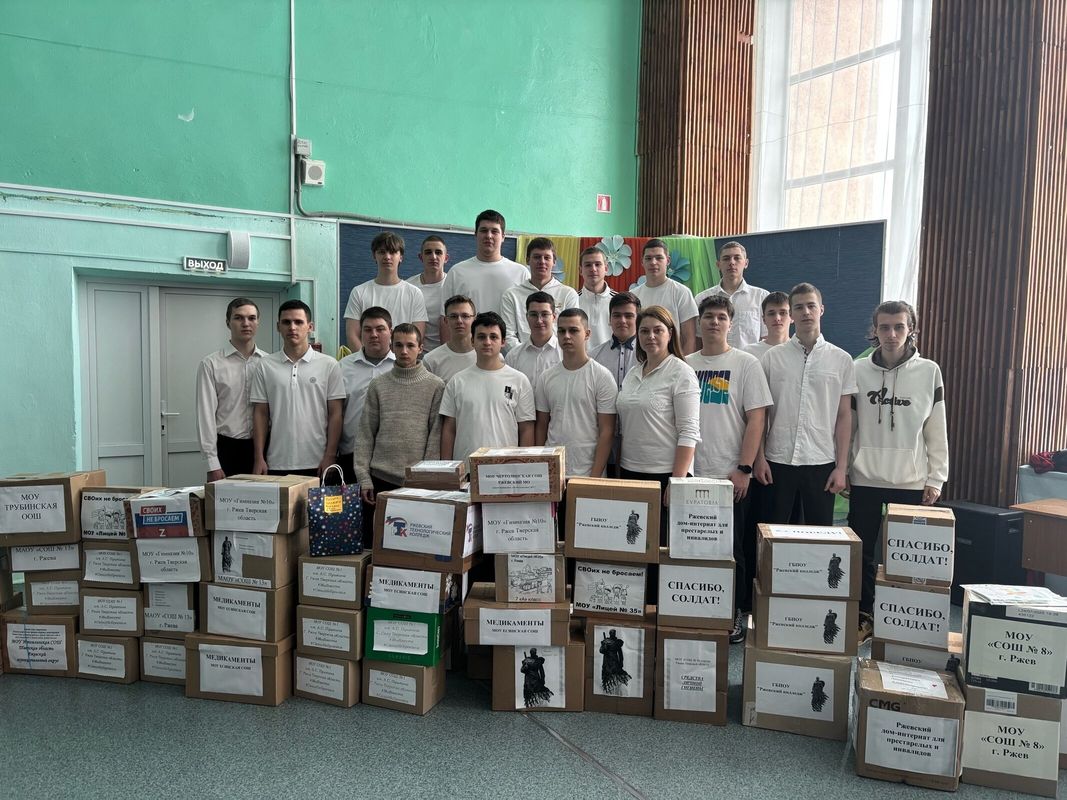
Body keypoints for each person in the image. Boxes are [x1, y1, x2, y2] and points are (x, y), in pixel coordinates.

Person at [849, 300, 948, 643]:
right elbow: (849, 425)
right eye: (884, 327)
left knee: (905, 558)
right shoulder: (857, 370)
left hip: (911, 481)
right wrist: (844, 468)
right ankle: (865, 616)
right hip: (865, 478)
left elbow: (936, 428)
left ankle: (900, 622)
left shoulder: (929, 371)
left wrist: (936, 477)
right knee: (862, 553)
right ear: (875, 330)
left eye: (899, 327)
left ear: (911, 329)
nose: (891, 334)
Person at [686, 295, 772, 643]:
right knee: (692, 547)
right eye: (708, 316)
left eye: (721, 317)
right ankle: (697, 609)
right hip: (692, 474)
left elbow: (757, 419)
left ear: (730, 324)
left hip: (729, 475)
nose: (714, 322)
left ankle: (734, 610)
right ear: (699, 322)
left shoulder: (745, 363)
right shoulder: (686, 364)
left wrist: (744, 468)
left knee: (732, 549)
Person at [756, 283, 857, 525]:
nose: (806, 312)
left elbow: (844, 416)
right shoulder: (772, 358)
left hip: (821, 461)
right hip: (777, 461)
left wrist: (841, 467)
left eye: (811, 306)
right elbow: (760, 414)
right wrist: (759, 458)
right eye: (799, 307)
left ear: (821, 309)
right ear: (791, 314)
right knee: (773, 533)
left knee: (819, 536)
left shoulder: (841, 360)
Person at [354, 323, 445, 546]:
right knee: (377, 546)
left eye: (410, 345)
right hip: (380, 479)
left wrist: (426, 481)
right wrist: (364, 478)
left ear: (420, 348)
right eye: (399, 345)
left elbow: (435, 436)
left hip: (416, 484)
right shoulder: (378, 385)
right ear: (392, 347)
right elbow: (366, 433)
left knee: (411, 548)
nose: (404, 351)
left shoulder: (436, 386)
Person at [616, 306, 701, 539]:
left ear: (670, 334)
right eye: (644, 331)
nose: (650, 336)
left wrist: (676, 481)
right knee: (634, 543)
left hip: (664, 474)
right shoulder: (633, 373)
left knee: (661, 545)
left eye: (657, 330)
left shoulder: (682, 373)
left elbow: (689, 432)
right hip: (630, 471)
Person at [251, 300, 344, 477]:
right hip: (276, 462)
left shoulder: (329, 365)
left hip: (318, 462)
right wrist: (258, 457)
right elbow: (260, 414)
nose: (292, 327)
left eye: (298, 322)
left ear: (310, 327)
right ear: (278, 326)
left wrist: (330, 455)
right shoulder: (265, 365)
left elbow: (336, 414)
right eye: (286, 322)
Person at [439, 311, 535, 464]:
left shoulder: (519, 380)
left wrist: (522, 467)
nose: (487, 342)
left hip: (506, 470)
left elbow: (526, 429)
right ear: (472, 341)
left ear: (503, 341)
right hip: (466, 469)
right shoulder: (457, 381)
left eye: (493, 337)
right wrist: (447, 468)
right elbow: (449, 429)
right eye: (481, 337)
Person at [535, 308, 617, 478]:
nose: (566, 336)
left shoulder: (602, 377)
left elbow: (607, 432)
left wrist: (594, 478)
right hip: (553, 472)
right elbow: (542, 426)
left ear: (587, 334)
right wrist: (541, 469)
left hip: (589, 472)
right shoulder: (546, 377)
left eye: (573, 330)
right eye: (561, 331)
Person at [196, 297, 267, 482]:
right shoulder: (211, 364)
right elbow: (205, 416)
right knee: (226, 501)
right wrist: (212, 463)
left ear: (258, 322)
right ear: (228, 323)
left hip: (264, 451)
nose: (246, 323)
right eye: (238, 318)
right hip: (227, 449)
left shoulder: (269, 363)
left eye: (251, 318)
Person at [440, 209, 528, 325]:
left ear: (503, 237)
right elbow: (445, 318)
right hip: (468, 337)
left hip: (509, 337)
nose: (489, 236)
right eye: (484, 230)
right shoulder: (457, 272)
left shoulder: (521, 273)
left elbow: (528, 318)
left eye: (494, 231)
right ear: (476, 235)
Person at [337, 308, 395, 483]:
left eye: (380, 329)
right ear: (360, 333)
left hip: (392, 458)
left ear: (391, 331)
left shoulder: (402, 366)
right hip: (351, 454)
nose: (374, 335)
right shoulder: (343, 367)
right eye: (368, 330)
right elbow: (335, 413)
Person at [343, 231, 427, 351]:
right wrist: (367, 360)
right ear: (374, 256)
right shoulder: (359, 292)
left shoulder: (414, 293)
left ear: (401, 257)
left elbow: (417, 336)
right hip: (367, 361)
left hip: (402, 360)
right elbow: (352, 335)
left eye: (392, 252)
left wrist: (398, 359)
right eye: (382, 252)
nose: (387, 257)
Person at [591, 292, 641, 476]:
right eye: (617, 315)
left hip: (638, 439)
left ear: (638, 318)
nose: (622, 321)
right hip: (603, 438)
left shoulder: (648, 356)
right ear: (609, 319)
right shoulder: (594, 356)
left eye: (629, 315)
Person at [500, 237, 579, 350]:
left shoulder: (568, 294)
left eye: (547, 257)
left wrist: (555, 356)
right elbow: (508, 335)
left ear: (554, 262)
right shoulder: (511, 295)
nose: (542, 262)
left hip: (558, 357)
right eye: (537, 257)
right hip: (522, 358)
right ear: (527, 260)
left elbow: (572, 332)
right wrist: (524, 356)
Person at [694, 241, 769, 349]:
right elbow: (698, 339)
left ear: (746, 263)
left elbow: (767, 338)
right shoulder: (702, 298)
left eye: (737, 258)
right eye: (726, 258)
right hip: (713, 359)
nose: (732, 262)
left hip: (750, 359)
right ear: (718, 264)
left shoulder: (761, 297)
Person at [630, 239, 698, 354]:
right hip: (641, 361)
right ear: (642, 262)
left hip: (673, 360)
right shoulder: (633, 295)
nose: (653, 262)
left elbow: (689, 338)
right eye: (648, 258)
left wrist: (683, 363)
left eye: (659, 258)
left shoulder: (681, 292)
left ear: (668, 260)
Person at [504, 292, 562, 387]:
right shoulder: (513, 356)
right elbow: (508, 389)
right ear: (527, 317)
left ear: (554, 317)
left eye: (544, 314)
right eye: (534, 315)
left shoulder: (565, 353)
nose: (539, 320)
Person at [423, 295, 477, 383]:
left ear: (474, 320)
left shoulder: (488, 357)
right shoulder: (431, 361)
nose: (459, 321)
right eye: (453, 316)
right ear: (445, 320)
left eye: (465, 316)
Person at [407, 235, 448, 351]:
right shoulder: (409, 287)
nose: (433, 257)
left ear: (446, 258)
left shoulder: (453, 285)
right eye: (428, 252)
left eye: (438, 252)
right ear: (421, 257)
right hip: (415, 354)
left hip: (446, 353)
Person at [577, 246, 616, 349]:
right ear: (580, 270)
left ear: (606, 269)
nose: (593, 269)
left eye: (598, 264)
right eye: (588, 265)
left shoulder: (618, 301)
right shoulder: (573, 300)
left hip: (612, 358)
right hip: (580, 359)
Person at [744, 291, 792, 359]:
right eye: (771, 314)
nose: (777, 318)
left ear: (792, 317)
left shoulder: (802, 350)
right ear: (764, 319)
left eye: (783, 313)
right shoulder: (749, 352)